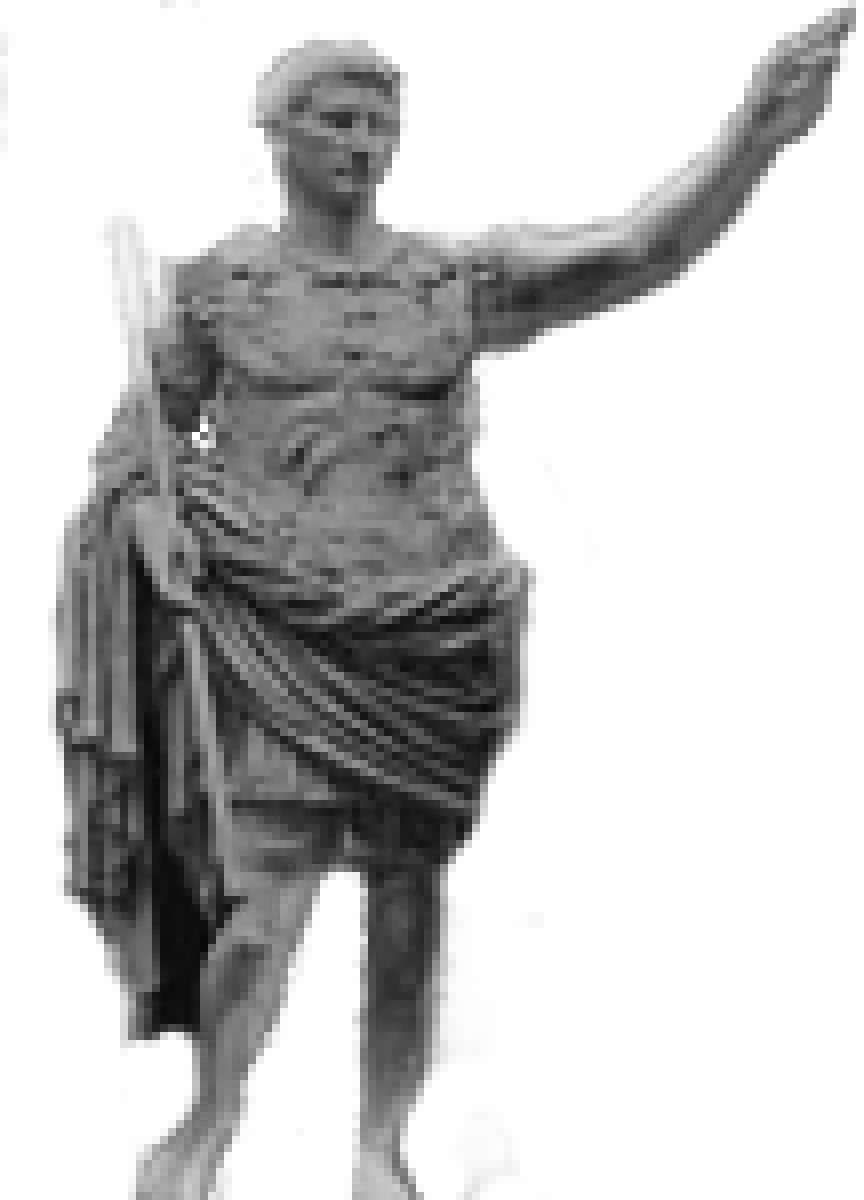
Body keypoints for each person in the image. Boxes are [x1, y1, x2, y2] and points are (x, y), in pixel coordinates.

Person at [52, 13, 854, 1199]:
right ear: (277, 138)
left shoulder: (456, 279)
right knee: (260, 914)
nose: (360, 142)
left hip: (429, 625)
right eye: (335, 120)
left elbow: (634, 254)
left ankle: (378, 1146)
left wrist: (756, 132)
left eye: (380, 123)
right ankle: (210, 1118)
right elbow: (139, 452)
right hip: (278, 628)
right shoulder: (219, 290)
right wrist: (150, 522)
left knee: (407, 906)